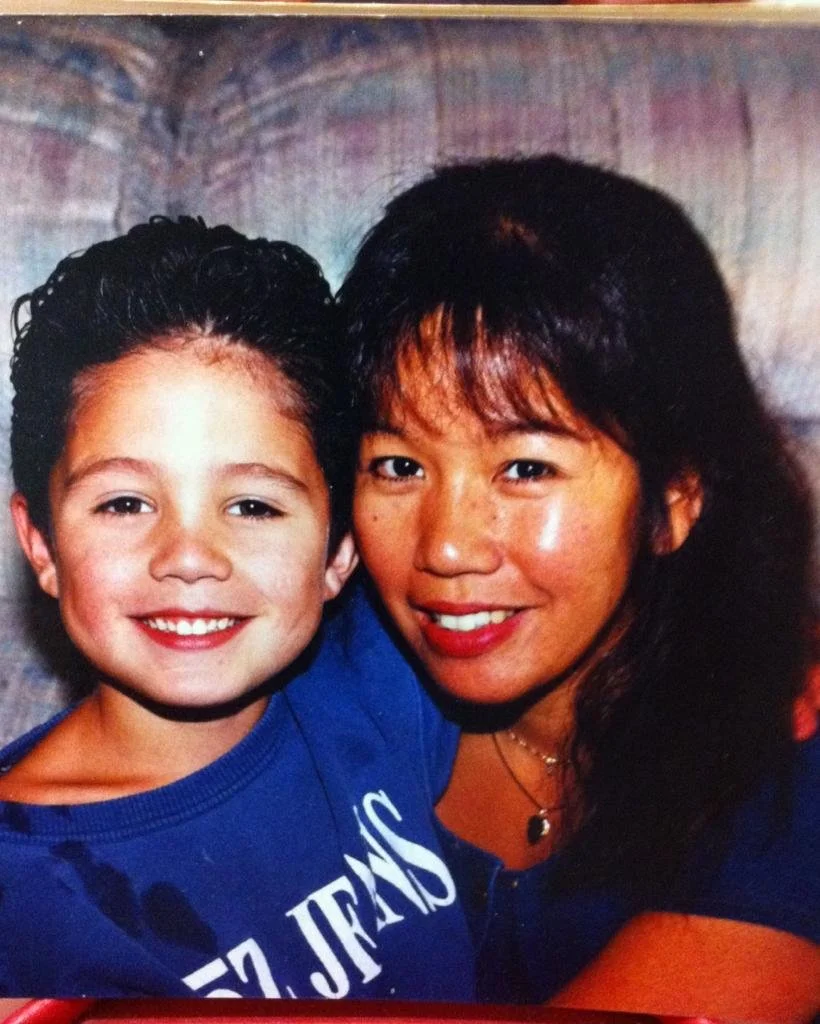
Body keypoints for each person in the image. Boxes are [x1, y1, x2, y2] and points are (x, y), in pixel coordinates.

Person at [337, 156, 820, 1019]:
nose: (444, 547)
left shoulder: (785, 776)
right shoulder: (313, 677)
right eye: (398, 465)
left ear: (675, 496)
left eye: (525, 467)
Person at [0, 217, 475, 998]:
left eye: (253, 506)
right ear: (42, 545)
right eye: (124, 503)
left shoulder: (390, 688)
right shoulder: (22, 890)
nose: (189, 556)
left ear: (340, 549)